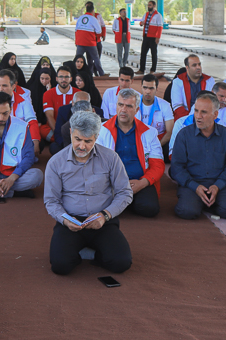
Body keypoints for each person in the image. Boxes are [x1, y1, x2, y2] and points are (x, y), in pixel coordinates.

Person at [44, 111, 133, 275]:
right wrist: (65, 220)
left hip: (103, 221)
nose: (81, 146)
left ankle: (91, 254)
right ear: (70, 132)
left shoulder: (111, 158)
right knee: (60, 265)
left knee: (121, 262)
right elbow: (51, 201)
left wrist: (105, 215)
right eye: (77, 139)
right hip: (70, 222)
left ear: (96, 137)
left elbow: (125, 193)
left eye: (88, 141)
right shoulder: (55, 162)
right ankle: (82, 252)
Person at [171, 93, 226, 220]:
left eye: (203, 112)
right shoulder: (184, 135)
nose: (198, 116)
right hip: (193, 183)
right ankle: (203, 203)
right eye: (196, 111)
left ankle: (206, 203)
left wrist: (217, 186)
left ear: (215, 115)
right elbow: (177, 167)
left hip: (220, 183)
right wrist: (195, 186)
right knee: (186, 211)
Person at [96, 89, 163, 217]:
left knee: (150, 208)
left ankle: (123, 202)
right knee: (95, 206)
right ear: (116, 106)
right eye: (120, 104)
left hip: (139, 181)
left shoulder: (150, 132)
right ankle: (125, 200)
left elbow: (158, 165)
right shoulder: (101, 130)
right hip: (111, 183)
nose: (123, 109)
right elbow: (96, 163)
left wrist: (143, 182)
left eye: (129, 106)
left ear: (137, 110)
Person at [0, 70, 41, 155]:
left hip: (19, 139)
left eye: (4, 86)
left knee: (37, 144)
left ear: (13, 86)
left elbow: (32, 121)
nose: (0, 89)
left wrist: (35, 141)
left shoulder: (24, 101)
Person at [170, 54, 215, 119]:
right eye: (194, 65)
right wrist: (191, 119)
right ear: (187, 68)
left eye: (199, 64)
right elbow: (177, 106)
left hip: (205, 118)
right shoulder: (178, 81)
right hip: (185, 119)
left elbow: (213, 103)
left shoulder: (209, 80)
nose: (198, 67)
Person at [138, 74, 173, 150]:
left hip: (158, 141)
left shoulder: (165, 105)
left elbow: (169, 132)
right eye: (145, 88)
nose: (148, 91)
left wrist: (156, 146)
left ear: (157, 89)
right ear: (141, 87)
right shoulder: (133, 104)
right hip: (137, 141)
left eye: (151, 88)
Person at [40, 66, 74, 144]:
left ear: (71, 79)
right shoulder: (48, 94)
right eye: (61, 77)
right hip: (55, 128)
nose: (63, 79)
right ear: (56, 78)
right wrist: (59, 133)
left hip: (73, 128)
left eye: (66, 77)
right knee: (42, 130)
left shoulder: (77, 93)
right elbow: (49, 116)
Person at [74, 2, 103, 76]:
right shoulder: (93, 19)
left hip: (80, 42)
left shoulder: (80, 18)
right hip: (90, 43)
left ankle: (75, 72)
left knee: (77, 58)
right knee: (96, 59)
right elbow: (99, 31)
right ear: (93, 11)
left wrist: (76, 42)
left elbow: (76, 30)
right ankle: (101, 73)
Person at [137, 0, 163, 74]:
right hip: (146, 36)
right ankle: (142, 69)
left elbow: (160, 27)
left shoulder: (158, 15)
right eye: (148, 5)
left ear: (154, 6)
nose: (148, 6)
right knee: (143, 53)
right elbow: (141, 22)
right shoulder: (146, 14)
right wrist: (141, 23)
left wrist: (158, 37)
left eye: (150, 5)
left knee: (153, 54)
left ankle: (153, 70)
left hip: (153, 38)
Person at [31, 67, 54, 140]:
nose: (44, 81)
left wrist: (49, 91)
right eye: (42, 78)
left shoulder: (54, 89)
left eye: (47, 79)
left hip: (49, 120)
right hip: (37, 119)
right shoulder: (33, 89)